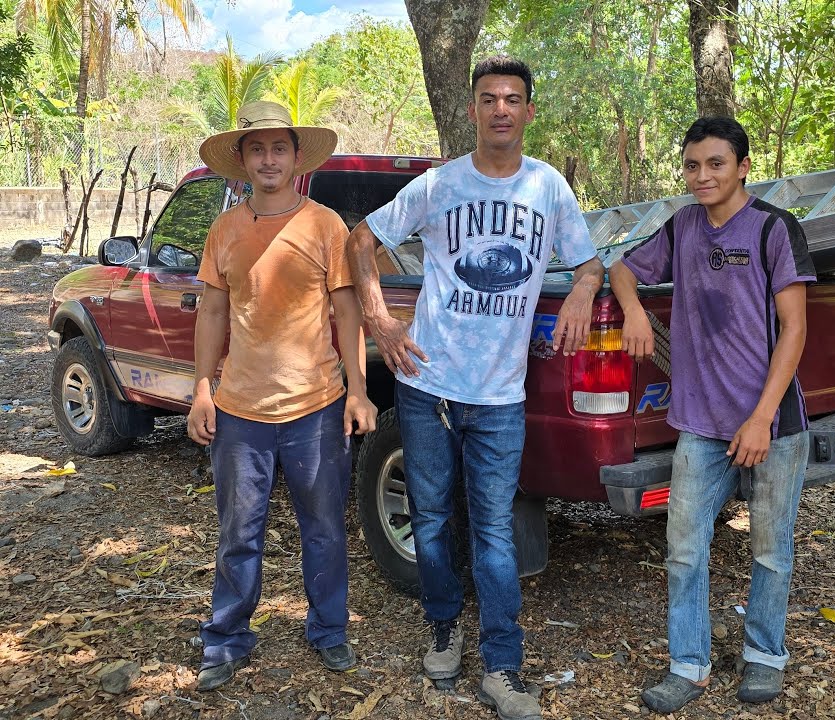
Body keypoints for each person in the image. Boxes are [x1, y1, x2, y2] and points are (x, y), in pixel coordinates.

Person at [346, 56, 603, 720]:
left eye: (512, 99)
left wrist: (580, 292)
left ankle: (503, 664)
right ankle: (442, 626)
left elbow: (591, 262)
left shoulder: (548, 189)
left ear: (528, 113)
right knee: (430, 519)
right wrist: (379, 318)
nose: (500, 110)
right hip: (427, 383)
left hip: (499, 395)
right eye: (488, 98)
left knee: (493, 528)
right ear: (472, 111)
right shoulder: (437, 186)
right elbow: (361, 238)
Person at [609, 116, 816, 712]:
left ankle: (764, 659)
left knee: (771, 549)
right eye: (693, 166)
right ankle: (688, 665)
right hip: (699, 424)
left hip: (773, 423)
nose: (703, 176)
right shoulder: (683, 230)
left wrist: (761, 418)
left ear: (743, 166)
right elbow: (624, 267)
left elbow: (795, 330)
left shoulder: (774, 229)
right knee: (683, 548)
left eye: (716, 164)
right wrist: (633, 311)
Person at [187, 101, 376, 691]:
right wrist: (201, 391)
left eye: (279, 148)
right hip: (240, 409)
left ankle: (329, 629)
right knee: (237, 531)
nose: (268, 159)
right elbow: (212, 312)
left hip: (316, 405)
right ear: (242, 161)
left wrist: (358, 391)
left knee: (324, 527)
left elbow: (347, 314)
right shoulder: (225, 229)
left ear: (297, 158)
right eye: (257, 148)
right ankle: (226, 638)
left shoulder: (324, 225)